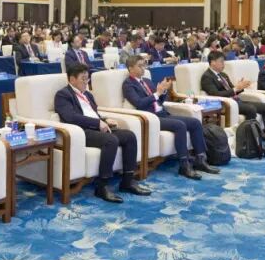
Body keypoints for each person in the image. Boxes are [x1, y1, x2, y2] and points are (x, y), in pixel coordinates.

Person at [54, 62, 151, 202]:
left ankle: (127, 182)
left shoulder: (87, 94)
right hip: (81, 132)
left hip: (97, 127)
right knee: (111, 140)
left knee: (129, 136)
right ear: (72, 79)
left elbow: (93, 114)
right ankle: (102, 186)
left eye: (87, 78)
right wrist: (97, 123)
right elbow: (70, 117)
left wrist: (104, 120)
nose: (86, 82)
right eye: (83, 78)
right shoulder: (63, 95)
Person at [121, 56, 219, 178]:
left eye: (144, 65)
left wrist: (163, 91)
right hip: (152, 118)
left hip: (162, 114)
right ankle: (184, 165)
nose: (143, 68)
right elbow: (139, 103)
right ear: (130, 68)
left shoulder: (147, 81)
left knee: (195, 123)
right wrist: (157, 93)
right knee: (180, 125)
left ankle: (201, 159)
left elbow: (160, 101)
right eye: (139, 66)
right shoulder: (128, 84)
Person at [201, 50, 265, 149]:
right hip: (227, 104)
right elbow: (215, 94)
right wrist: (236, 89)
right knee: (251, 109)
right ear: (213, 62)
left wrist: (241, 87)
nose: (223, 64)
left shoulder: (223, 75)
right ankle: (249, 140)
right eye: (221, 61)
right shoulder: (207, 77)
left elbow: (233, 90)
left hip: (236, 101)